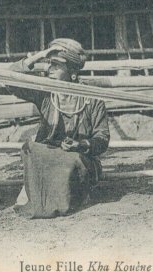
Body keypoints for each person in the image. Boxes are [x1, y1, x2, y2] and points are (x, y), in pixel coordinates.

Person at [6, 38, 110, 218]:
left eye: (56, 65)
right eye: (49, 63)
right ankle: (47, 196)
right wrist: (39, 56)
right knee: (31, 149)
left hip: (78, 158)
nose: (49, 69)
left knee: (70, 160)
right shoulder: (45, 93)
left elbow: (102, 138)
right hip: (49, 154)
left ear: (72, 71)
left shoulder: (92, 98)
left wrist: (81, 144)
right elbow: (10, 79)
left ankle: (64, 197)